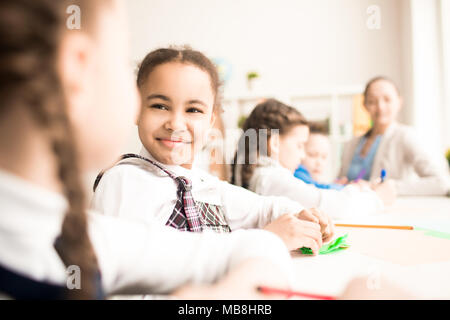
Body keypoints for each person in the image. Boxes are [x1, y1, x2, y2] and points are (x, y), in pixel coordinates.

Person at [0, 0, 299, 299]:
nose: (175, 122)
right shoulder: (115, 195)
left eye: (193, 110)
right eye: (120, 59)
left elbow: (256, 249)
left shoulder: (89, 238)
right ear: (76, 67)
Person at [92, 47, 333, 253]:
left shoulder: (205, 185)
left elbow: (266, 208)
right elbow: (130, 281)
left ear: (210, 121)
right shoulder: (124, 181)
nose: (175, 123)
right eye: (160, 106)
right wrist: (264, 242)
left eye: (193, 110)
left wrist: (302, 215)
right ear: (136, 109)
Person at [231, 99, 396, 220]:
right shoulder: (271, 179)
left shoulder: (264, 176)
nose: (303, 155)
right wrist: (377, 198)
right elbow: (332, 207)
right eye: (299, 145)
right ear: (274, 143)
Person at [338, 76, 450, 196]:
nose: (380, 107)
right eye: (372, 101)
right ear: (364, 105)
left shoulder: (406, 136)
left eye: (387, 99)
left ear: (399, 102)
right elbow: (340, 181)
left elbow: (440, 182)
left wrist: (383, 188)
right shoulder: (351, 144)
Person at [294, 122, 344, 190]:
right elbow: (319, 188)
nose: (319, 163)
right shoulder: (297, 173)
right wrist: (350, 188)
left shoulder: (311, 179)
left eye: (324, 157)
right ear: (299, 151)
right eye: (312, 155)